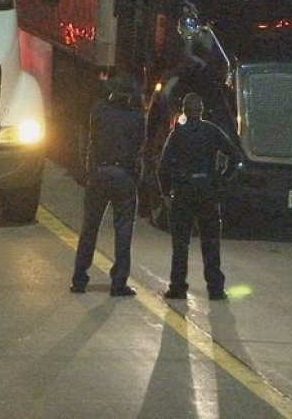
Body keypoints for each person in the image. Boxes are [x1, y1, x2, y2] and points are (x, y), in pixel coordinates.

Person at [157, 92, 243, 300]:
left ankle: (177, 287)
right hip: (207, 192)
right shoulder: (212, 131)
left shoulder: (177, 135)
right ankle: (215, 288)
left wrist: (166, 192)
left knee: (180, 243)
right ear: (202, 110)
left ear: (185, 111)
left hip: (183, 192)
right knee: (211, 242)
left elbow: (163, 167)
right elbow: (235, 156)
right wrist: (222, 180)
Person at [70, 74, 146, 297]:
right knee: (123, 229)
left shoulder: (99, 110)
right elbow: (140, 147)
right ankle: (118, 282)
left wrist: (88, 171)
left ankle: (79, 278)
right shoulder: (137, 117)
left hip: (99, 174)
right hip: (124, 175)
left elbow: (89, 140)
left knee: (90, 227)